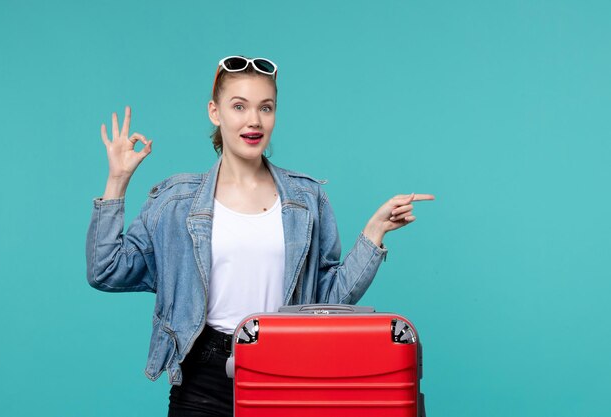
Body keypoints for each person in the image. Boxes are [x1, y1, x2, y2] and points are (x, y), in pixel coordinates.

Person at [86, 55, 434, 417]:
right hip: (203, 379)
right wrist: (117, 180)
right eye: (239, 106)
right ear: (215, 112)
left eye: (265, 108)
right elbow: (106, 270)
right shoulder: (177, 201)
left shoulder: (306, 199)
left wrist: (374, 233)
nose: (254, 120)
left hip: (287, 371)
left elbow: (327, 301)